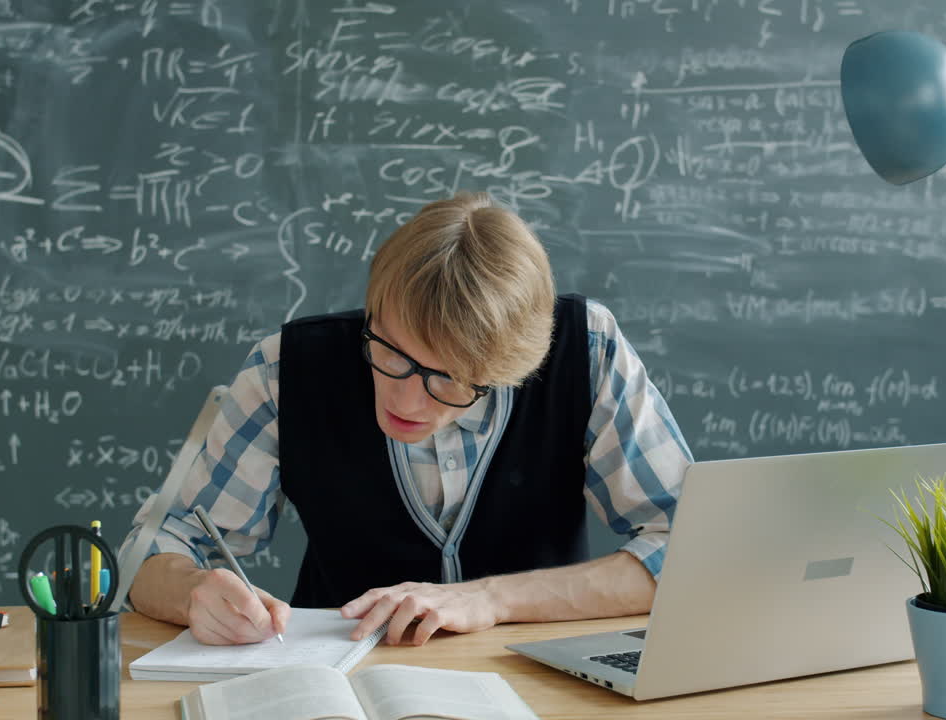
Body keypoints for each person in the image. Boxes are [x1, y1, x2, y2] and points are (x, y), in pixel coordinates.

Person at [121, 191, 692, 647]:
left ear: (508, 372)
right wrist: (195, 590)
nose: (407, 401)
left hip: (539, 685)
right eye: (390, 351)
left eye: (448, 379)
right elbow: (152, 553)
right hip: (343, 693)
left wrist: (490, 599)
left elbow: (689, 548)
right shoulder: (286, 370)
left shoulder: (585, 350)